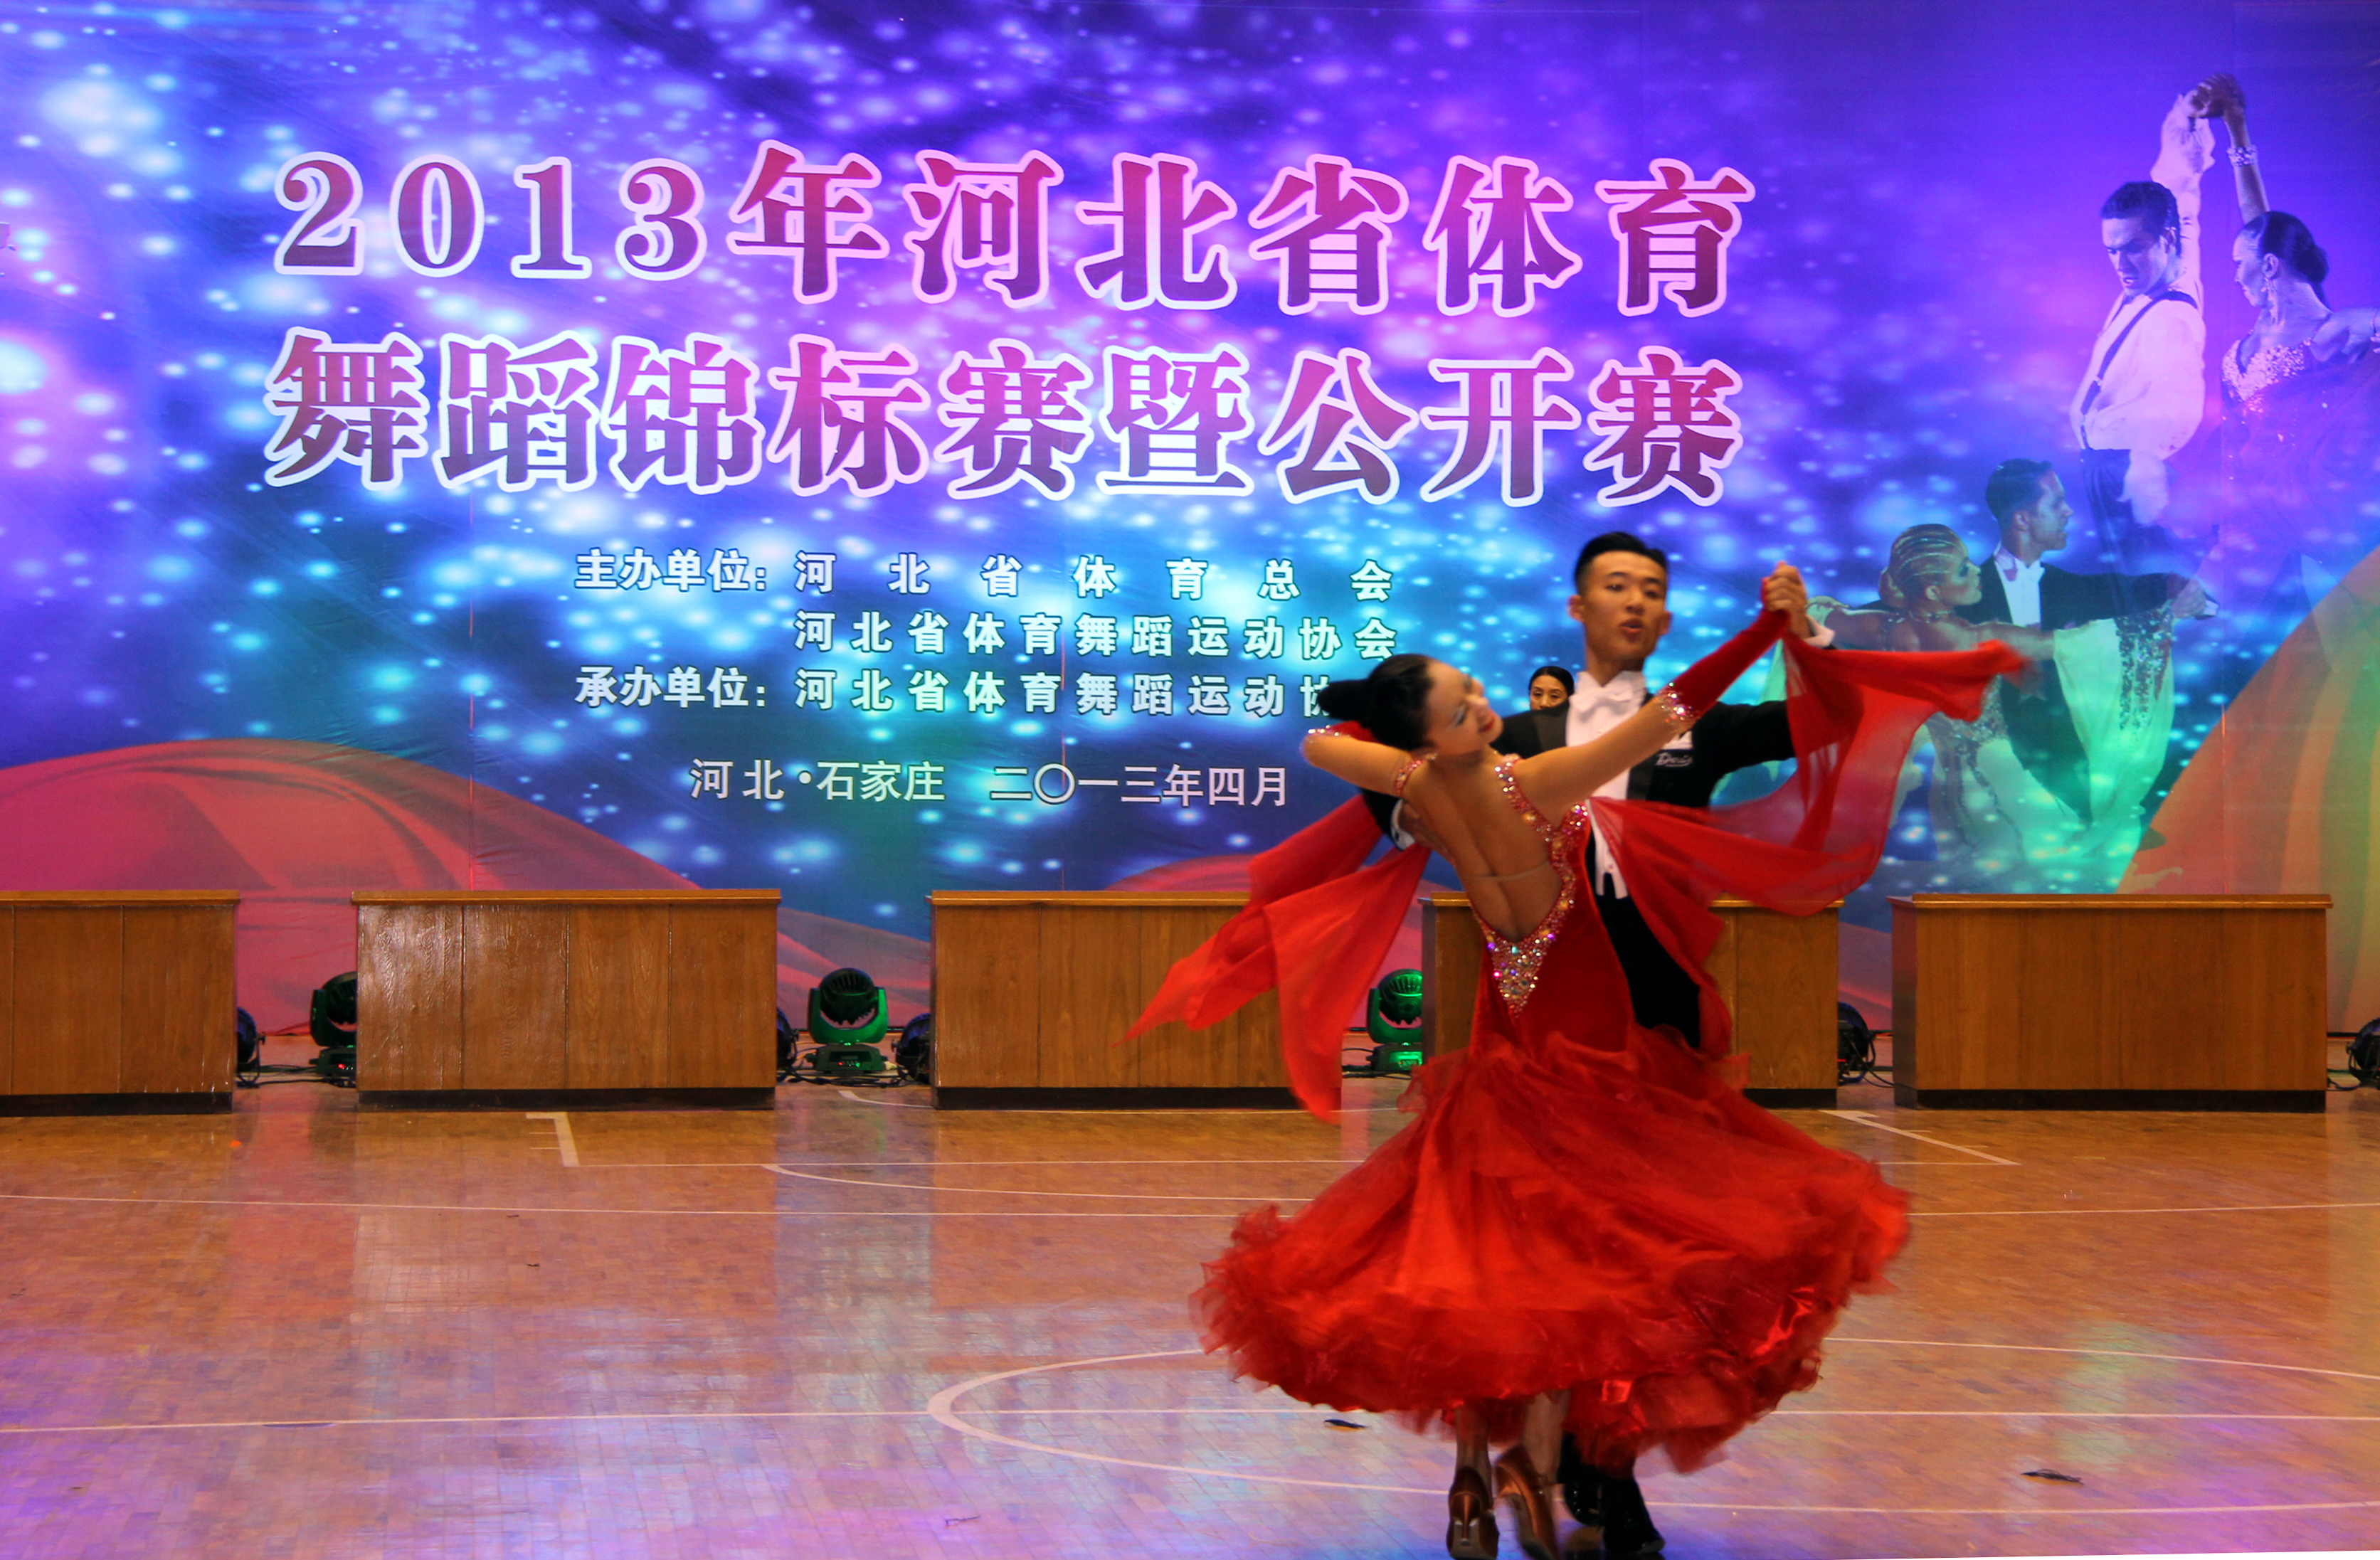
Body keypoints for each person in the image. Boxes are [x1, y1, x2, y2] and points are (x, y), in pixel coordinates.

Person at [1132, 598, 2019, 1559]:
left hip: (1501, 1058)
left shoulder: (1415, 789)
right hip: (1586, 1058)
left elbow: (1321, 744)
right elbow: (1677, 708)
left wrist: (1389, 737)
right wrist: (1765, 634)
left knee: (1487, 1270)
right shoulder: (1536, 784)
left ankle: (1473, 1480)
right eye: (1460, 705)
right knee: (1573, 1277)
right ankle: (1538, 1468)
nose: (1484, 704)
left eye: (1474, 689)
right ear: (1432, 734)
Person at [1833, 525, 2177, 891]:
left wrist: (1806, 609)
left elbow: (1826, 618)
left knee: (1998, 877)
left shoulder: (1881, 629)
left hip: (1949, 787)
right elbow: (2068, 644)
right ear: (1934, 591)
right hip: (2001, 777)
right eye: (1963, 570)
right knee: (2047, 868)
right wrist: (2152, 624)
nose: (1976, 570)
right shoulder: (1977, 637)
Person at [2187, 74, 2380, 635]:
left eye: (2238, 264)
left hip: (2303, 524)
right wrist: (2236, 130)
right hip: (2243, 523)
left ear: (2269, 267)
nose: (2234, 275)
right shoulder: (2257, 327)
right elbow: (2261, 225)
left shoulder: (2332, 333)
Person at [1956, 458, 2203, 819]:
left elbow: (2138, 589)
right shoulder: (1963, 595)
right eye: (2056, 502)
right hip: (1990, 779)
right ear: (2022, 519)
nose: (2068, 511)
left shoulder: (2072, 588)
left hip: (2075, 766)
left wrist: (2181, 588)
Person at [2070, 80, 2219, 570]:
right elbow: (2179, 195)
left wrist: (2142, 466)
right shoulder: (2172, 259)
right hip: (2107, 467)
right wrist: (2186, 121)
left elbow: (2177, 402)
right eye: (2111, 250)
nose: (2120, 263)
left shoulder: (2172, 318)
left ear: (2165, 240)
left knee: (2140, 592)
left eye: (2132, 247)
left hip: (2128, 474)